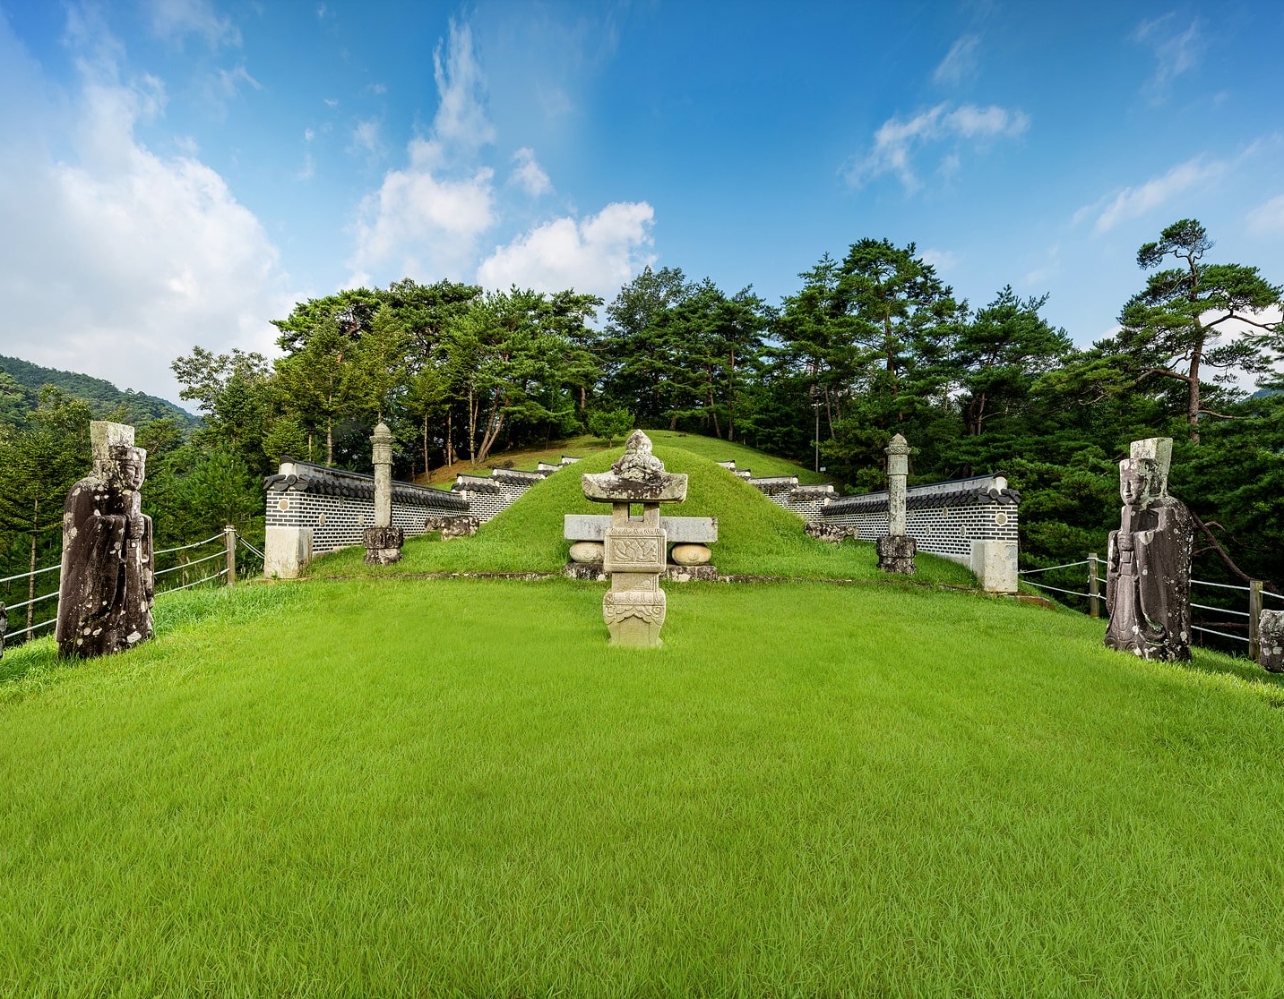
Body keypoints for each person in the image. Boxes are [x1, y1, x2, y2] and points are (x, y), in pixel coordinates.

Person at [55, 443, 154, 658]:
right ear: (113, 466)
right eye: (131, 469)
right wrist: (122, 524)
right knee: (102, 615)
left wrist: (143, 523)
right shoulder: (87, 490)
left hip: (130, 566)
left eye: (141, 469)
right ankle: (94, 641)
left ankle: (133, 630)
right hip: (98, 574)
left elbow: (137, 527)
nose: (137, 476)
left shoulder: (131, 495)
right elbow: (81, 533)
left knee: (134, 602)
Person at [1104, 453, 1193, 661]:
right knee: (1123, 607)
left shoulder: (1169, 508)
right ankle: (1120, 635)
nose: (1126, 490)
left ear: (1150, 481)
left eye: (1133, 482)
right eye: (1122, 483)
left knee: (1145, 611)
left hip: (1145, 577)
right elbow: (1118, 538)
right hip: (1126, 574)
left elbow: (1168, 546)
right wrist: (1116, 538)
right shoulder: (1127, 510)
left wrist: (1137, 540)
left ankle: (1159, 639)